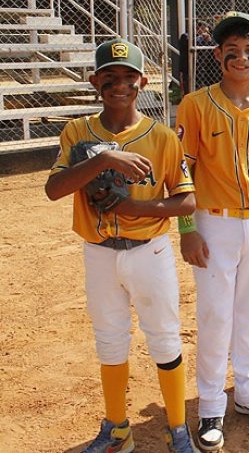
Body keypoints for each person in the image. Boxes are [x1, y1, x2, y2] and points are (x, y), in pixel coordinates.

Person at [45, 39, 198, 453]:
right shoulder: (78, 132)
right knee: (109, 339)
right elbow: (54, 189)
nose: (119, 85)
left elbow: (187, 199)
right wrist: (104, 160)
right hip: (98, 252)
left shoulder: (161, 136)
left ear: (142, 82)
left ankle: (178, 427)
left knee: (164, 338)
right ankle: (117, 429)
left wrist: (136, 206)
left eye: (128, 77)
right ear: (95, 81)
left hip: (149, 252)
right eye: (109, 77)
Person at [175, 11, 249, 450]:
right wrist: (187, 227)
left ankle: (246, 390)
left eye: (248, 49)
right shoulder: (197, 103)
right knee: (215, 316)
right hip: (213, 221)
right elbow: (181, 170)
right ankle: (209, 405)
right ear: (219, 55)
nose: (240, 56)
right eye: (231, 49)